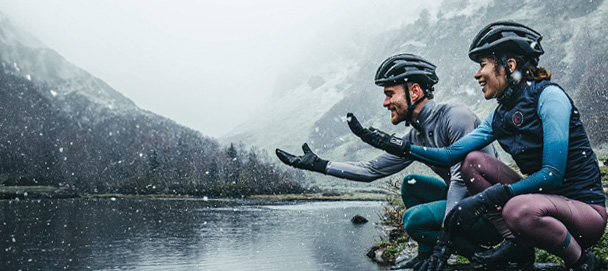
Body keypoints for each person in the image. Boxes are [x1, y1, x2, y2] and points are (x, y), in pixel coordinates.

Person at [348, 21, 607, 271]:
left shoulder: (550, 97)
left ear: (510, 65)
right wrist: (393, 144)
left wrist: (488, 197)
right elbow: (451, 154)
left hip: (585, 214)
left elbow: (552, 174)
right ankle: (515, 243)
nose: (477, 74)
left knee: (517, 208)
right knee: (472, 161)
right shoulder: (500, 114)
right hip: (546, 207)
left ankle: (580, 260)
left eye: (483, 65)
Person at [275, 53, 503, 270]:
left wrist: (444, 242)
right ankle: (424, 255)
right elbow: (371, 169)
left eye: (390, 94)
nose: (386, 103)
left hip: (490, 214)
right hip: (465, 209)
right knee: (411, 184)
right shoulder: (417, 134)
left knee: (414, 220)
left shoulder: (455, 117)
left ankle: (478, 256)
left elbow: (461, 180)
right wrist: (319, 164)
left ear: (414, 92)